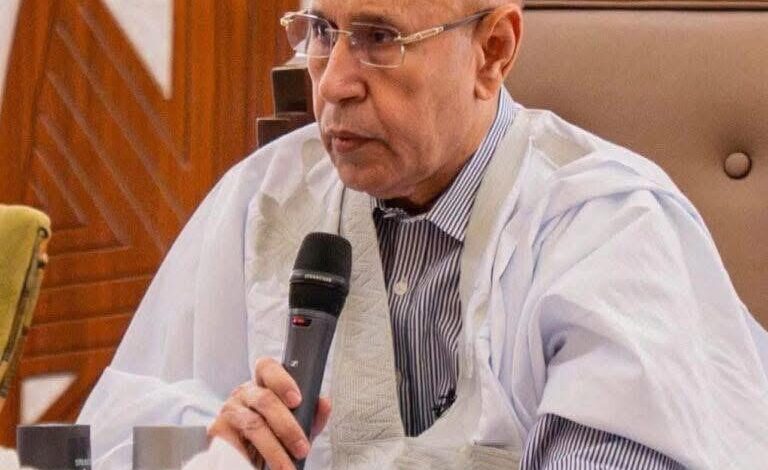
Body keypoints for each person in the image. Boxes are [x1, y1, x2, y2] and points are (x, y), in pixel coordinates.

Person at [77, 0, 768, 468]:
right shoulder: (266, 201)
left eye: (378, 38)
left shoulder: (606, 225)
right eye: (321, 32)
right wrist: (217, 450)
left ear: (493, 50)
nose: (333, 85)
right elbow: (111, 440)